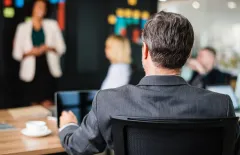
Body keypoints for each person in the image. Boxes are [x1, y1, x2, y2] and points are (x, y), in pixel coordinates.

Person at [59, 11, 237, 154]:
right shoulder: (221, 105)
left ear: (145, 51)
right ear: (188, 55)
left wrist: (68, 125)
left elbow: (77, 147)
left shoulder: (108, 101)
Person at [13, 0, 66, 108]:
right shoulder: (22, 27)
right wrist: (31, 52)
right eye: (38, 7)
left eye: (43, 7)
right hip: (30, 72)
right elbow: (16, 54)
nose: (41, 9)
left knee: (48, 104)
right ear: (32, 8)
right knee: (33, 105)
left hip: (48, 69)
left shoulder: (52, 25)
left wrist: (47, 48)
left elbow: (62, 48)